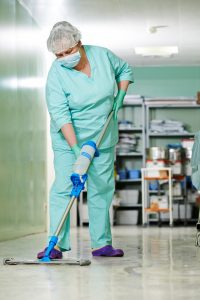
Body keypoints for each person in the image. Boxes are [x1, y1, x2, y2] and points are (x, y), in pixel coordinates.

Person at [37, 21, 133, 258]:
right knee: (64, 187)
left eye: (67, 52)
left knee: (101, 188)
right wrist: (76, 147)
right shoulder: (56, 74)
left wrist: (121, 93)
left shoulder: (102, 55)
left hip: (102, 136)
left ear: (78, 43)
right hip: (69, 140)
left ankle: (101, 244)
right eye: (58, 54)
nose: (63, 57)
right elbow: (60, 113)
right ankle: (56, 245)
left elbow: (124, 70)